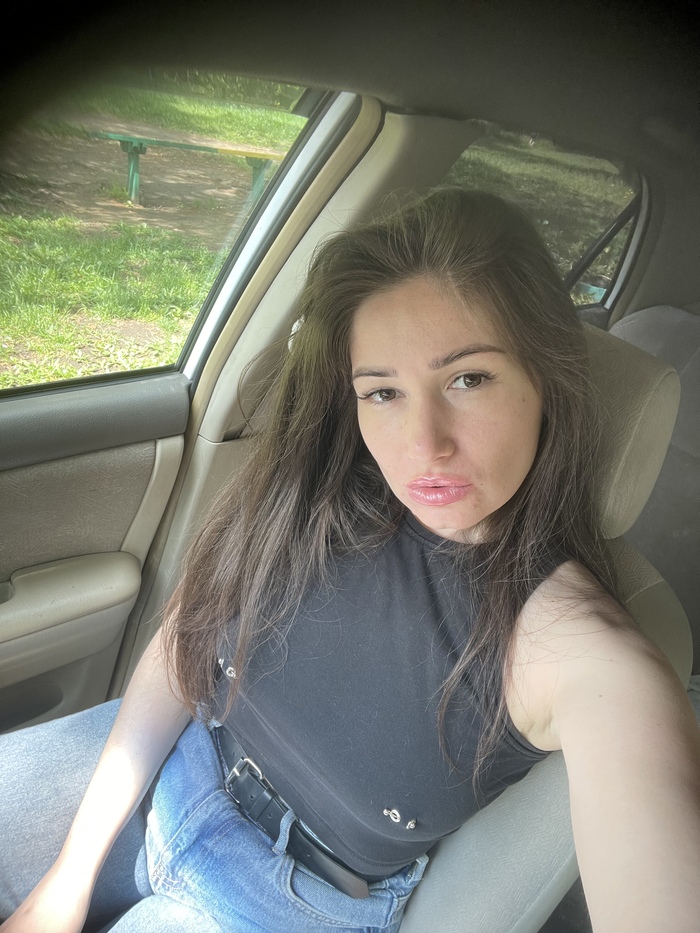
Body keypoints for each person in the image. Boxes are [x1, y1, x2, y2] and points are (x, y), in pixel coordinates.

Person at [1, 189, 699, 933]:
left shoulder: (577, 647)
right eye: (384, 391)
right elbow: (185, 641)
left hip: (278, 900)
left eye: (468, 378)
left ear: (545, 380)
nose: (423, 443)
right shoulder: (318, 489)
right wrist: (66, 878)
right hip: (169, 761)